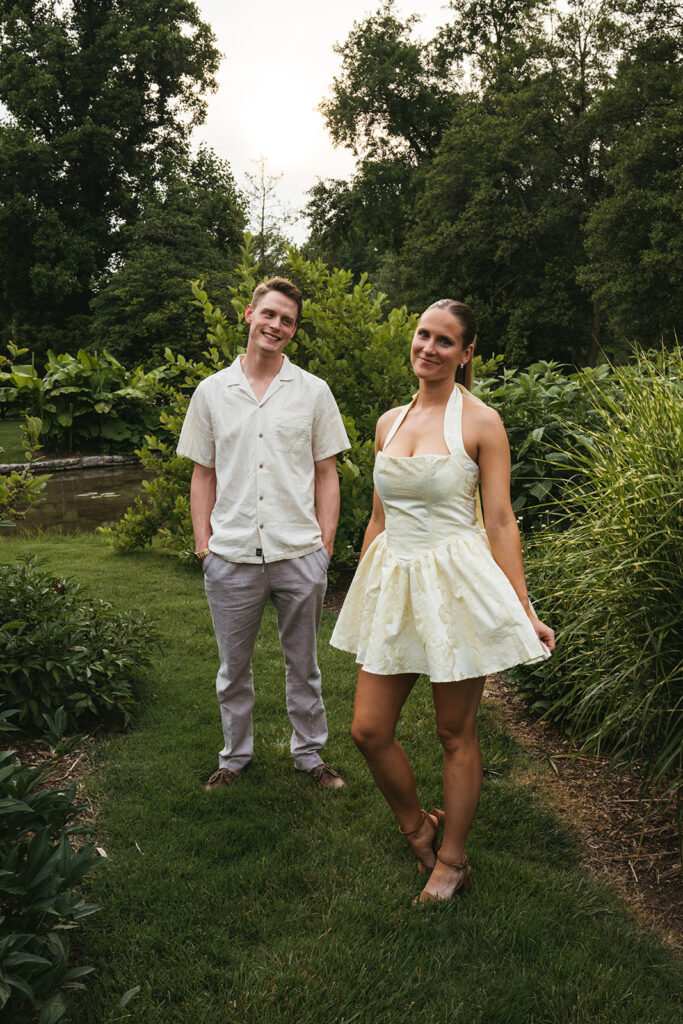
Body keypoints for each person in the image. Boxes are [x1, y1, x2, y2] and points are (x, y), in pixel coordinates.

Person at [330, 298, 555, 901]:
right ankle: (416, 828)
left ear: (467, 352)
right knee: (368, 730)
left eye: (445, 341)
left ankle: (452, 860)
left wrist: (524, 609)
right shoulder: (388, 422)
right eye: (423, 335)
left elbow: (502, 520)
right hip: (394, 582)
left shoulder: (482, 423)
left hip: (454, 584)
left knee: (454, 731)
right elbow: (378, 518)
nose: (428, 348)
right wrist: (362, 591)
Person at [178, 277, 350, 791]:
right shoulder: (211, 392)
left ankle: (310, 755)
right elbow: (202, 474)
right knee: (233, 669)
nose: (276, 325)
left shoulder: (313, 391)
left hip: (299, 552)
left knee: (305, 666)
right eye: (270, 314)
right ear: (249, 314)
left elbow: (327, 473)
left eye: (288, 320)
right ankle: (234, 757)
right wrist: (204, 546)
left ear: (293, 331)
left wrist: (325, 546)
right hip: (229, 555)